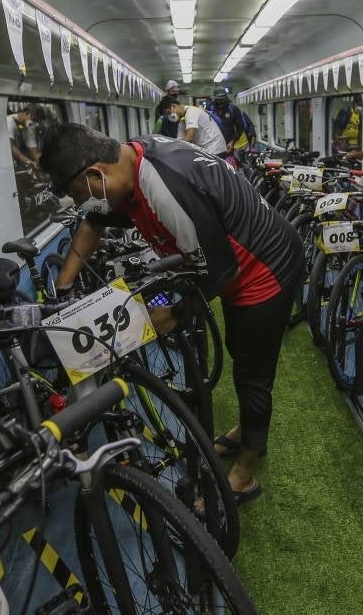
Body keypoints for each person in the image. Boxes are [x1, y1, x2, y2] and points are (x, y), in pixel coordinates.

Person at [40, 124, 305, 503]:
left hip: (266, 267)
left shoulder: (163, 188)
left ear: (95, 174)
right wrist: (63, 287)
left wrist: (176, 313)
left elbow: (219, 271)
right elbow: (95, 220)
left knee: (252, 373)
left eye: (77, 194)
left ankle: (245, 473)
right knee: (238, 346)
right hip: (235, 263)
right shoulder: (129, 161)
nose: (81, 204)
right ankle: (248, 428)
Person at [157, 96, 229, 158]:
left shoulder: (191, 112)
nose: (169, 116)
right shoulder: (182, 121)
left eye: (169, 113)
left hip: (216, 149)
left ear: (173, 106)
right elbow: (179, 141)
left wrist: (170, 146)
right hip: (207, 150)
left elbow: (189, 137)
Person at [206, 87, 255, 163]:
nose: (220, 102)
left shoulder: (233, 109)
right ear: (214, 99)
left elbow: (240, 128)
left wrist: (232, 141)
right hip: (214, 144)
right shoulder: (210, 108)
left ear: (226, 98)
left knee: (229, 166)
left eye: (222, 99)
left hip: (229, 144)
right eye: (218, 100)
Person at [7, 105, 46, 170]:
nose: (34, 123)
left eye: (36, 121)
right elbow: (11, 147)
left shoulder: (29, 126)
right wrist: (29, 162)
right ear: (27, 113)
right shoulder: (9, 122)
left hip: (15, 162)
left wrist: (40, 164)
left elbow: (32, 148)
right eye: (33, 119)